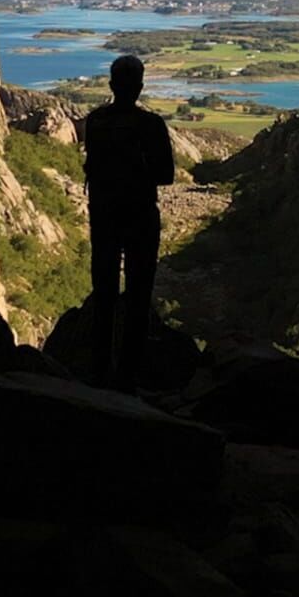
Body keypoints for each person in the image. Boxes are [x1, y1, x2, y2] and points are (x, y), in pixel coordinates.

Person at [80, 54, 175, 391]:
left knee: (104, 292)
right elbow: (166, 175)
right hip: (139, 216)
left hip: (103, 216)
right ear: (140, 86)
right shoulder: (151, 125)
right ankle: (128, 375)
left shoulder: (94, 121)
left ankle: (98, 370)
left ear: (111, 85)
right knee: (138, 294)